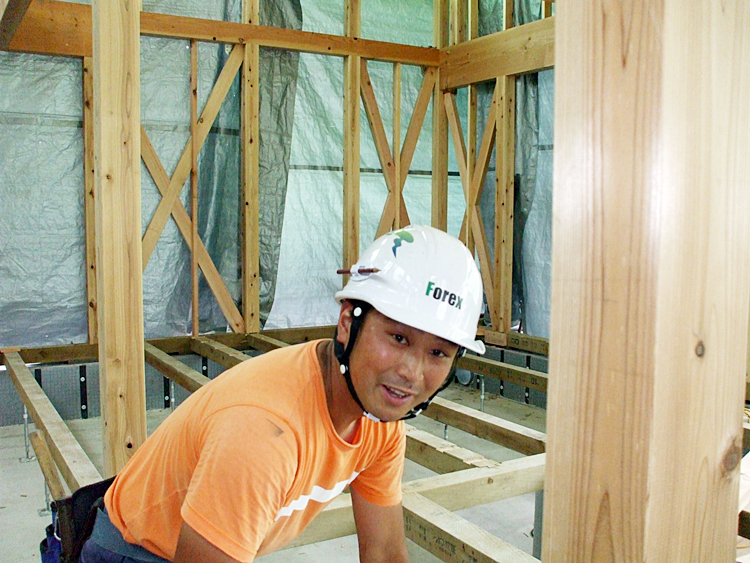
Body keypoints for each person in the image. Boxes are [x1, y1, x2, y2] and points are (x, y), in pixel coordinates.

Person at [80, 224, 486, 563]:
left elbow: (383, 552)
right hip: (133, 552)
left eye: (438, 353)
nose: (412, 373)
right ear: (348, 323)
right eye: (398, 338)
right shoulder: (264, 431)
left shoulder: (380, 420)